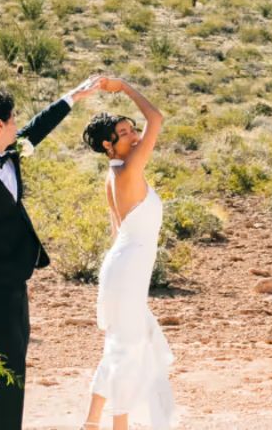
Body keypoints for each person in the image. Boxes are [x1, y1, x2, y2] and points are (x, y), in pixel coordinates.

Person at [0, 76, 106, 430]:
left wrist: (73, 97)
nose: (17, 124)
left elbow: (38, 127)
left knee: (5, 364)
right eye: (12, 119)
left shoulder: (9, 152)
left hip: (13, 278)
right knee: (11, 369)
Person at [78, 77, 175, 430]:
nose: (135, 136)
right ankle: (119, 425)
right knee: (129, 349)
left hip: (123, 267)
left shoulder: (114, 173)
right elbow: (158, 119)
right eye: (124, 132)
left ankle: (92, 421)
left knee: (121, 346)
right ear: (109, 144)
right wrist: (126, 88)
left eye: (133, 129)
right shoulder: (129, 170)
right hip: (127, 271)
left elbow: (117, 230)